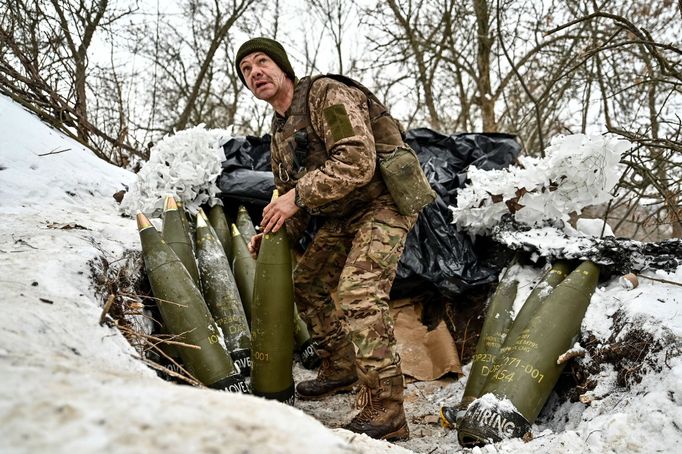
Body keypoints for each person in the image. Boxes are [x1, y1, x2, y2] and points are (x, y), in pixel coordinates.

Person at [236, 37, 417, 441]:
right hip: (342, 212)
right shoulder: (280, 129)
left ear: (283, 68)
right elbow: (291, 199)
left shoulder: (325, 94)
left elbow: (356, 158)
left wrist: (295, 198)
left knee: (359, 292)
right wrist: (272, 235)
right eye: (247, 70)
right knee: (308, 283)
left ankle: (387, 411)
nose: (255, 73)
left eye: (262, 62)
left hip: (383, 201)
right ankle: (341, 366)